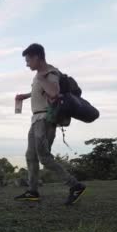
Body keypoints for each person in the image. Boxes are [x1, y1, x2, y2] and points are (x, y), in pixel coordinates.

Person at [13, 43, 86, 205]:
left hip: (45, 120)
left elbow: (53, 91)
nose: (26, 64)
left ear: (37, 57)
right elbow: (41, 92)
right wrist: (25, 96)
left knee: (44, 158)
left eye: (28, 60)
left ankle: (75, 185)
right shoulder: (40, 74)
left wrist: (40, 78)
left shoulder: (50, 73)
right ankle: (32, 191)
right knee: (31, 156)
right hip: (36, 120)